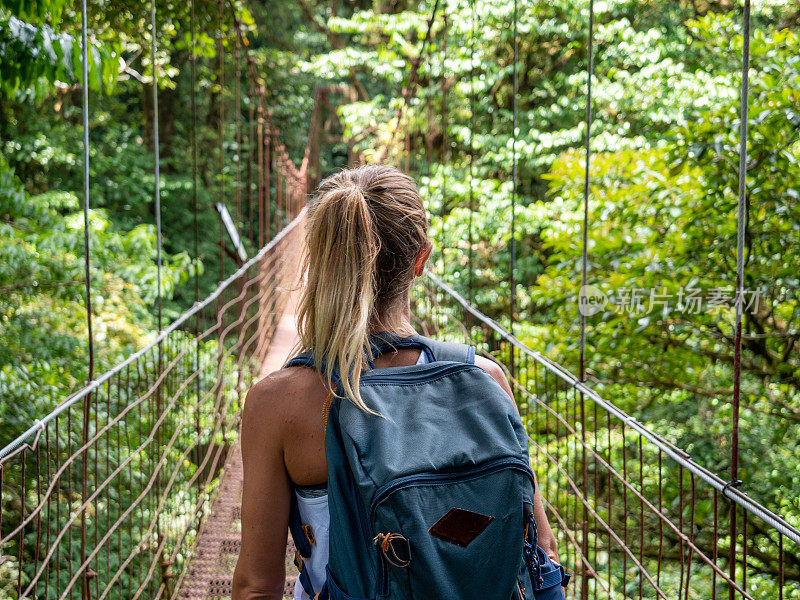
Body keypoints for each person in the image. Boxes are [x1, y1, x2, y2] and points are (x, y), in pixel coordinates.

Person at [232, 164, 560, 600]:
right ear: (421, 259)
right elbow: (542, 551)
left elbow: (257, 587)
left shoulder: (277, 403)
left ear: (318, 261)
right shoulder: (486, 379)